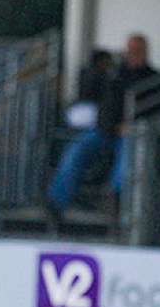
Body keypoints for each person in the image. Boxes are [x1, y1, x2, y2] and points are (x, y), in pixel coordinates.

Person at [46, 34, 157, 219]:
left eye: (138, 51)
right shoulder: (114, 76)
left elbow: (152, 111)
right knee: (76, 152)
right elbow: (103, 106)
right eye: (130, 51)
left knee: (126, 159)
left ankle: (115, 202)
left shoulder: (153, 79)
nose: (133, 54)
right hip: (105, 131)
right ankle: (55, 203)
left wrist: (131, 126)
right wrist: (111, 126)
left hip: (134, 134)